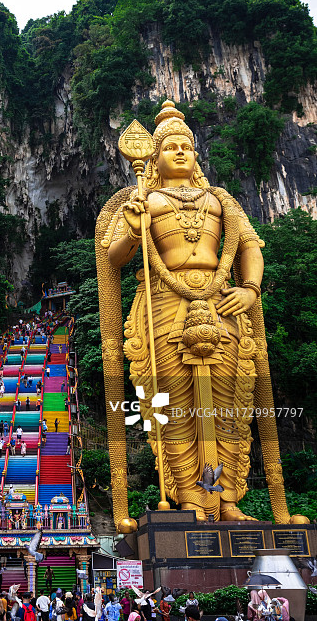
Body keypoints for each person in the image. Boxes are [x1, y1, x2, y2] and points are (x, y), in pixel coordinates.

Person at [99, 100, 294, 525]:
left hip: (222, 301)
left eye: (186, 145)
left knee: (228, 408)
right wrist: (133, 228)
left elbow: (250, 247)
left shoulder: (220, 199)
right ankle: (190, 498)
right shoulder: (143, 199)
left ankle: (223, 499)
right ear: (154, 157)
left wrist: (250, 289)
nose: (181, 152)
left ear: (196, 153)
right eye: (170, 146)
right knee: (173, 408)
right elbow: (113, 257)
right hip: (165, 307)